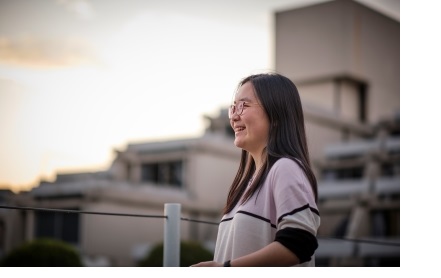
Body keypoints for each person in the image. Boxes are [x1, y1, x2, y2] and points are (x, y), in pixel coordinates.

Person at [191, 72, 320, 267]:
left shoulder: (285, 168)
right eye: (233, 108)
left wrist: (225, 268)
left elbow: (300, 243)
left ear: (276, 115)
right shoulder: (246, 184)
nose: (234, 116)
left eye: (243, 106)